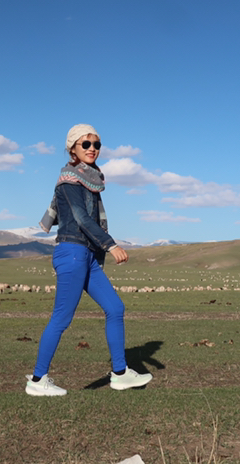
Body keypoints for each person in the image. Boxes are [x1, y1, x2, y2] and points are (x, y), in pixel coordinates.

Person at [25, 123, 153, 396]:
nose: (92, 148)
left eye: (96, 144)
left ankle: (120, 374)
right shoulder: (69, 181)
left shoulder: (90, 180)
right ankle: (37, 380)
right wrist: (111, 245)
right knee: (62, 317)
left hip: (87, 255)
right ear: (72, 148)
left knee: (115, 307)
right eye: (86, 144)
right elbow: (81, 218)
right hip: (72, 252)